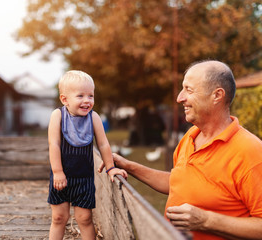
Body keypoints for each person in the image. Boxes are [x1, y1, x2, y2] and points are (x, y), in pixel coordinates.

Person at [99, 60, 262, 240]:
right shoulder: (191, 136)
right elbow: (177, 182)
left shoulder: (250, 151)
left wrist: (207, 220)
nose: (179, 98)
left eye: (189, 90)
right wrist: (129, 166)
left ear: (217, 95)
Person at [48, 70, 127, 240]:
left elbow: (104, 144)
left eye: (90, 96)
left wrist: (111, 167)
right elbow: (53, 145)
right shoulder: (58, 116)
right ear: (64, 99)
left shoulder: (94, 118)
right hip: (61, 176)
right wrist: (57, 172)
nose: (87, 101)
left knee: (84, 218)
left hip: (84, 179)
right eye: (80, 96)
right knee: (59, 217)